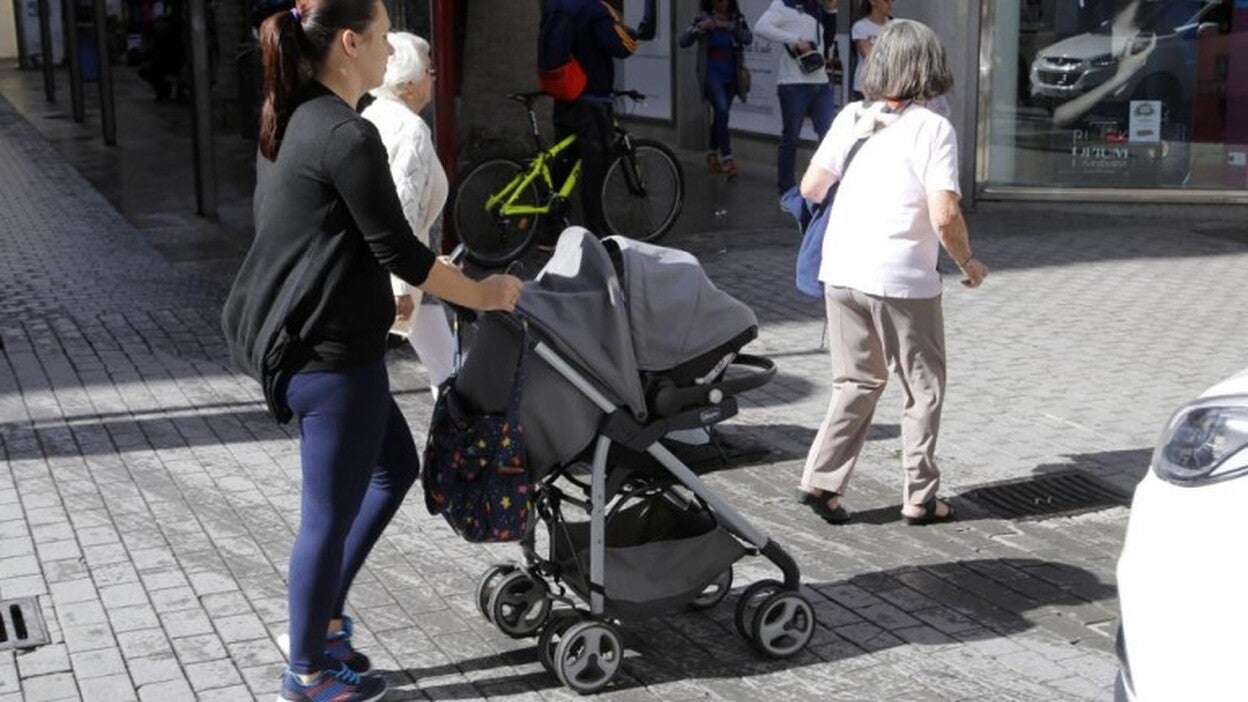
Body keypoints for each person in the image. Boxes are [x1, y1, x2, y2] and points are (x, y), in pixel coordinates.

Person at [220, 0, 523, 699]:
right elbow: (404, 252)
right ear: (350, 42)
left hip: (319, 337)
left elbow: (317, 235)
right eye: (384, 37)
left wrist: (365, 290)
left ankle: (321, 625)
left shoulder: (296, 117)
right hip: (326, 359)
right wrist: (488, 293)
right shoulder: (344, 135)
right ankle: (306, 671)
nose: (393, 53)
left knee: (392, 467)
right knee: (325, 519)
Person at [793, 19, 988, 527]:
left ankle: (820, 481)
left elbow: (812, 186)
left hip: (840, 270)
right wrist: (968, 263)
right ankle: (920, 497)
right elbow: (944, 214)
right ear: (930, 68)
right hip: (902, 279)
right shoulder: (933, 128)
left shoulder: (852, 116)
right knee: (922, 388)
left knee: (855, 381)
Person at [361, 32, 457, 397]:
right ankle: (455, 443)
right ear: (410, 82)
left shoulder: (374, 113)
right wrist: (404, 285)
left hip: (407, 268)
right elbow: (402, 209)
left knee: (444, 365)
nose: (434, 76)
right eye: (429, 70)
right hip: (406, 274)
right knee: (448, 370)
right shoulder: (411, 129)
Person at [543, 0, 652, 238]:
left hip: (565, 94)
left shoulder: (558, 5)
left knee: (565, 160)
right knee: (597, 163)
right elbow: (620, 46)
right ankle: (594, 230)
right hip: (592, 98)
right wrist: (632, 35)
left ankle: (551, 227)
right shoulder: (595, 9)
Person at [755, 0, 838, 197]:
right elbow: (761, 27)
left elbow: (826, 42)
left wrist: (831, 11)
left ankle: (825, 188)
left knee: (828, 136)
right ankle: (786, 191)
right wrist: (794, 40)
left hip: (821, 81)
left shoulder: (816, 8)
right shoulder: (784, 3)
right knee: (791, 138)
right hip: (793, 84)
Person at [679, 0, 753, 180]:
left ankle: (712, 154)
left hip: (731, 75)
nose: (723, 4)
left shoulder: (737, 19)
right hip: (711, 74)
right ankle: (728, 159)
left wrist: (731, 27)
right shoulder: (703, 18)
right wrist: (700, 28)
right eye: (719, 0)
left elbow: (748, 38)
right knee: (720, 109)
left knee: (722, 115)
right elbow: (683, 41)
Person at [850, 0, 892, 101]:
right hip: (865, 86)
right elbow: (868, 55)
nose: (890, 3)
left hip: (888, 86)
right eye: (886, 0)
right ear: (873, 2)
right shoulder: (861, 26)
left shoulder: (893, 26)